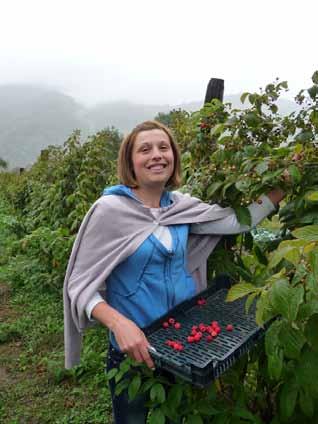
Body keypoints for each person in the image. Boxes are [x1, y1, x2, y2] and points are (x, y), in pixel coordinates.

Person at [63, 120, 285, 424]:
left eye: (163, 147)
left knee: (174, 417)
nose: (156, 154)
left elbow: (238, 222)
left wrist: (283, 186)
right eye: (145, 149)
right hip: (133, 351)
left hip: (181, 345)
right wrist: (118, 323)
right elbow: (80, 284)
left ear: (174, 157)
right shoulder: (110, 210)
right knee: (132, 419)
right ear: (130, 162)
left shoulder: (181, 207)